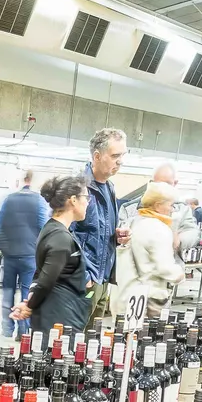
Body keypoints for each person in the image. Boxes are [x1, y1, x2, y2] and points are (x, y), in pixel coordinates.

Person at [10, 174, 91, 335]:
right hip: (59, 321)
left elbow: (41, 274)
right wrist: (30, 305)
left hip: (56, 316)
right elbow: (46, 280)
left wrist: (30, 301)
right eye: (86, 197)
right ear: (73, 200)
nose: (87, 202)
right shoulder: (60, 237)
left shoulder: (53, 229)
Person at [117, 184, 187, 318]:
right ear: (158, 205)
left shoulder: (132, 222)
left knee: (128, 333)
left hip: (127, 292)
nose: (172, 209)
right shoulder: (159, 229)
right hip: (150, 297)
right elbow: (164, 267)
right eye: (170, 205)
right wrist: (180, 275)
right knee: (148, 335)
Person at [0, 169, 45, 337]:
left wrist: (3, 246)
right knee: (26, 294)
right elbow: (44, 228)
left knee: (7, 293)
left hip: (10, 257)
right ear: (33, 180)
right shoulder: (39, 201)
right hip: (30, 257)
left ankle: (7, 329)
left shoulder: (9, 199)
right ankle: (23, 332)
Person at [79, 129, 129, 305]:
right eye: (115, 155)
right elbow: (61, 236)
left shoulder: (110, 188)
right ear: (97, 156)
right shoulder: (78, 188)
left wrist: (116, 237)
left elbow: (95, 232)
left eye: (122, 155)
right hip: (85, 282)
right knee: (77, 332)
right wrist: (84, 275)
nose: (120, 161)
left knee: (95, 331)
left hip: (104, 278)